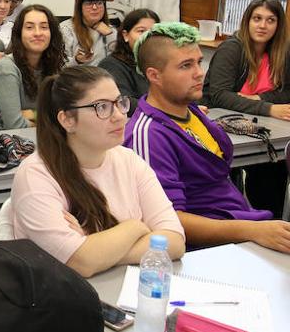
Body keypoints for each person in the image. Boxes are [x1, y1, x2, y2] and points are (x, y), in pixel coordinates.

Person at [1, 65, 185, 278]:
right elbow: (81, 262)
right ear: (67, 120)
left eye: (119, 103)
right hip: (57, 302)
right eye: (102, 107)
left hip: (120, 291)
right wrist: (136, 227)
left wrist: (98, 248)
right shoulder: (36, 175)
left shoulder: (130, 161)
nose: (118, 116)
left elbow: (175, 240)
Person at [124, 22, 290, 254]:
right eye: (185, 65)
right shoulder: (149, 134)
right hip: (206, 250)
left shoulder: (191, 111)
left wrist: (255, 228)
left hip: (239, 225)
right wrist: (253, 231)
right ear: (154, 75)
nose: (199, 73)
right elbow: (170, 221)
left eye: (199, 62)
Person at [203, 0, 290, 120]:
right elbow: (220, 96)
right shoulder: (231, 49)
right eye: (257, 19)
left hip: (259, 119)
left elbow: (287, 91)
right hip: (218, 118)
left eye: (270, 20)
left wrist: (259, 98)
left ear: (278, 25)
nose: (263, 26)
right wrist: (269, 108)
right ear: (247, 21)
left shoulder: (283, 51)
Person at [0, 4, 65, 130]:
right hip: (6, 142)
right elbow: (14, 125)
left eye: (44, 27)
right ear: (19, 33)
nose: (38, 33)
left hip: (43, 139)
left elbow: (65, 115)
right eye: (29, 27)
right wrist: (52, 121)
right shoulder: (6, 68)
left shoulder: (55, 65)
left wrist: (33, 114)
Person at [98, 8, 160, 115]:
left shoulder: (160, 61)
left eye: (153, 32)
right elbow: (124, 103)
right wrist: (165, 108)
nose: (148, 37)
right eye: (141, 31)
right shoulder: (111, 65)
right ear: (125, 35)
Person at [60, 0, 117, 67]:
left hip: (102, 76)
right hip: (75, 77)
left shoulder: (110, 30)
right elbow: (60, 67)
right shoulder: (66, 29)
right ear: (80, 8)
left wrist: (110, 35)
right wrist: (77, 60)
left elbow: (117, 63)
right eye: (89, 4)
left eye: (99, 3)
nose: (94, 7)